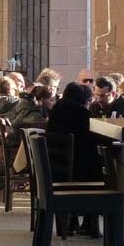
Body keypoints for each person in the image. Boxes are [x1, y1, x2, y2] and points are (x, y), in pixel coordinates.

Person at [46, 83, 101, 237]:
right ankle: (90, 222)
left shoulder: (56, 111)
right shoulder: (82, 114)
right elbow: (93, 139)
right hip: (77, 172)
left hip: (56, 170)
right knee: (99, 170)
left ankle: (71, 221)